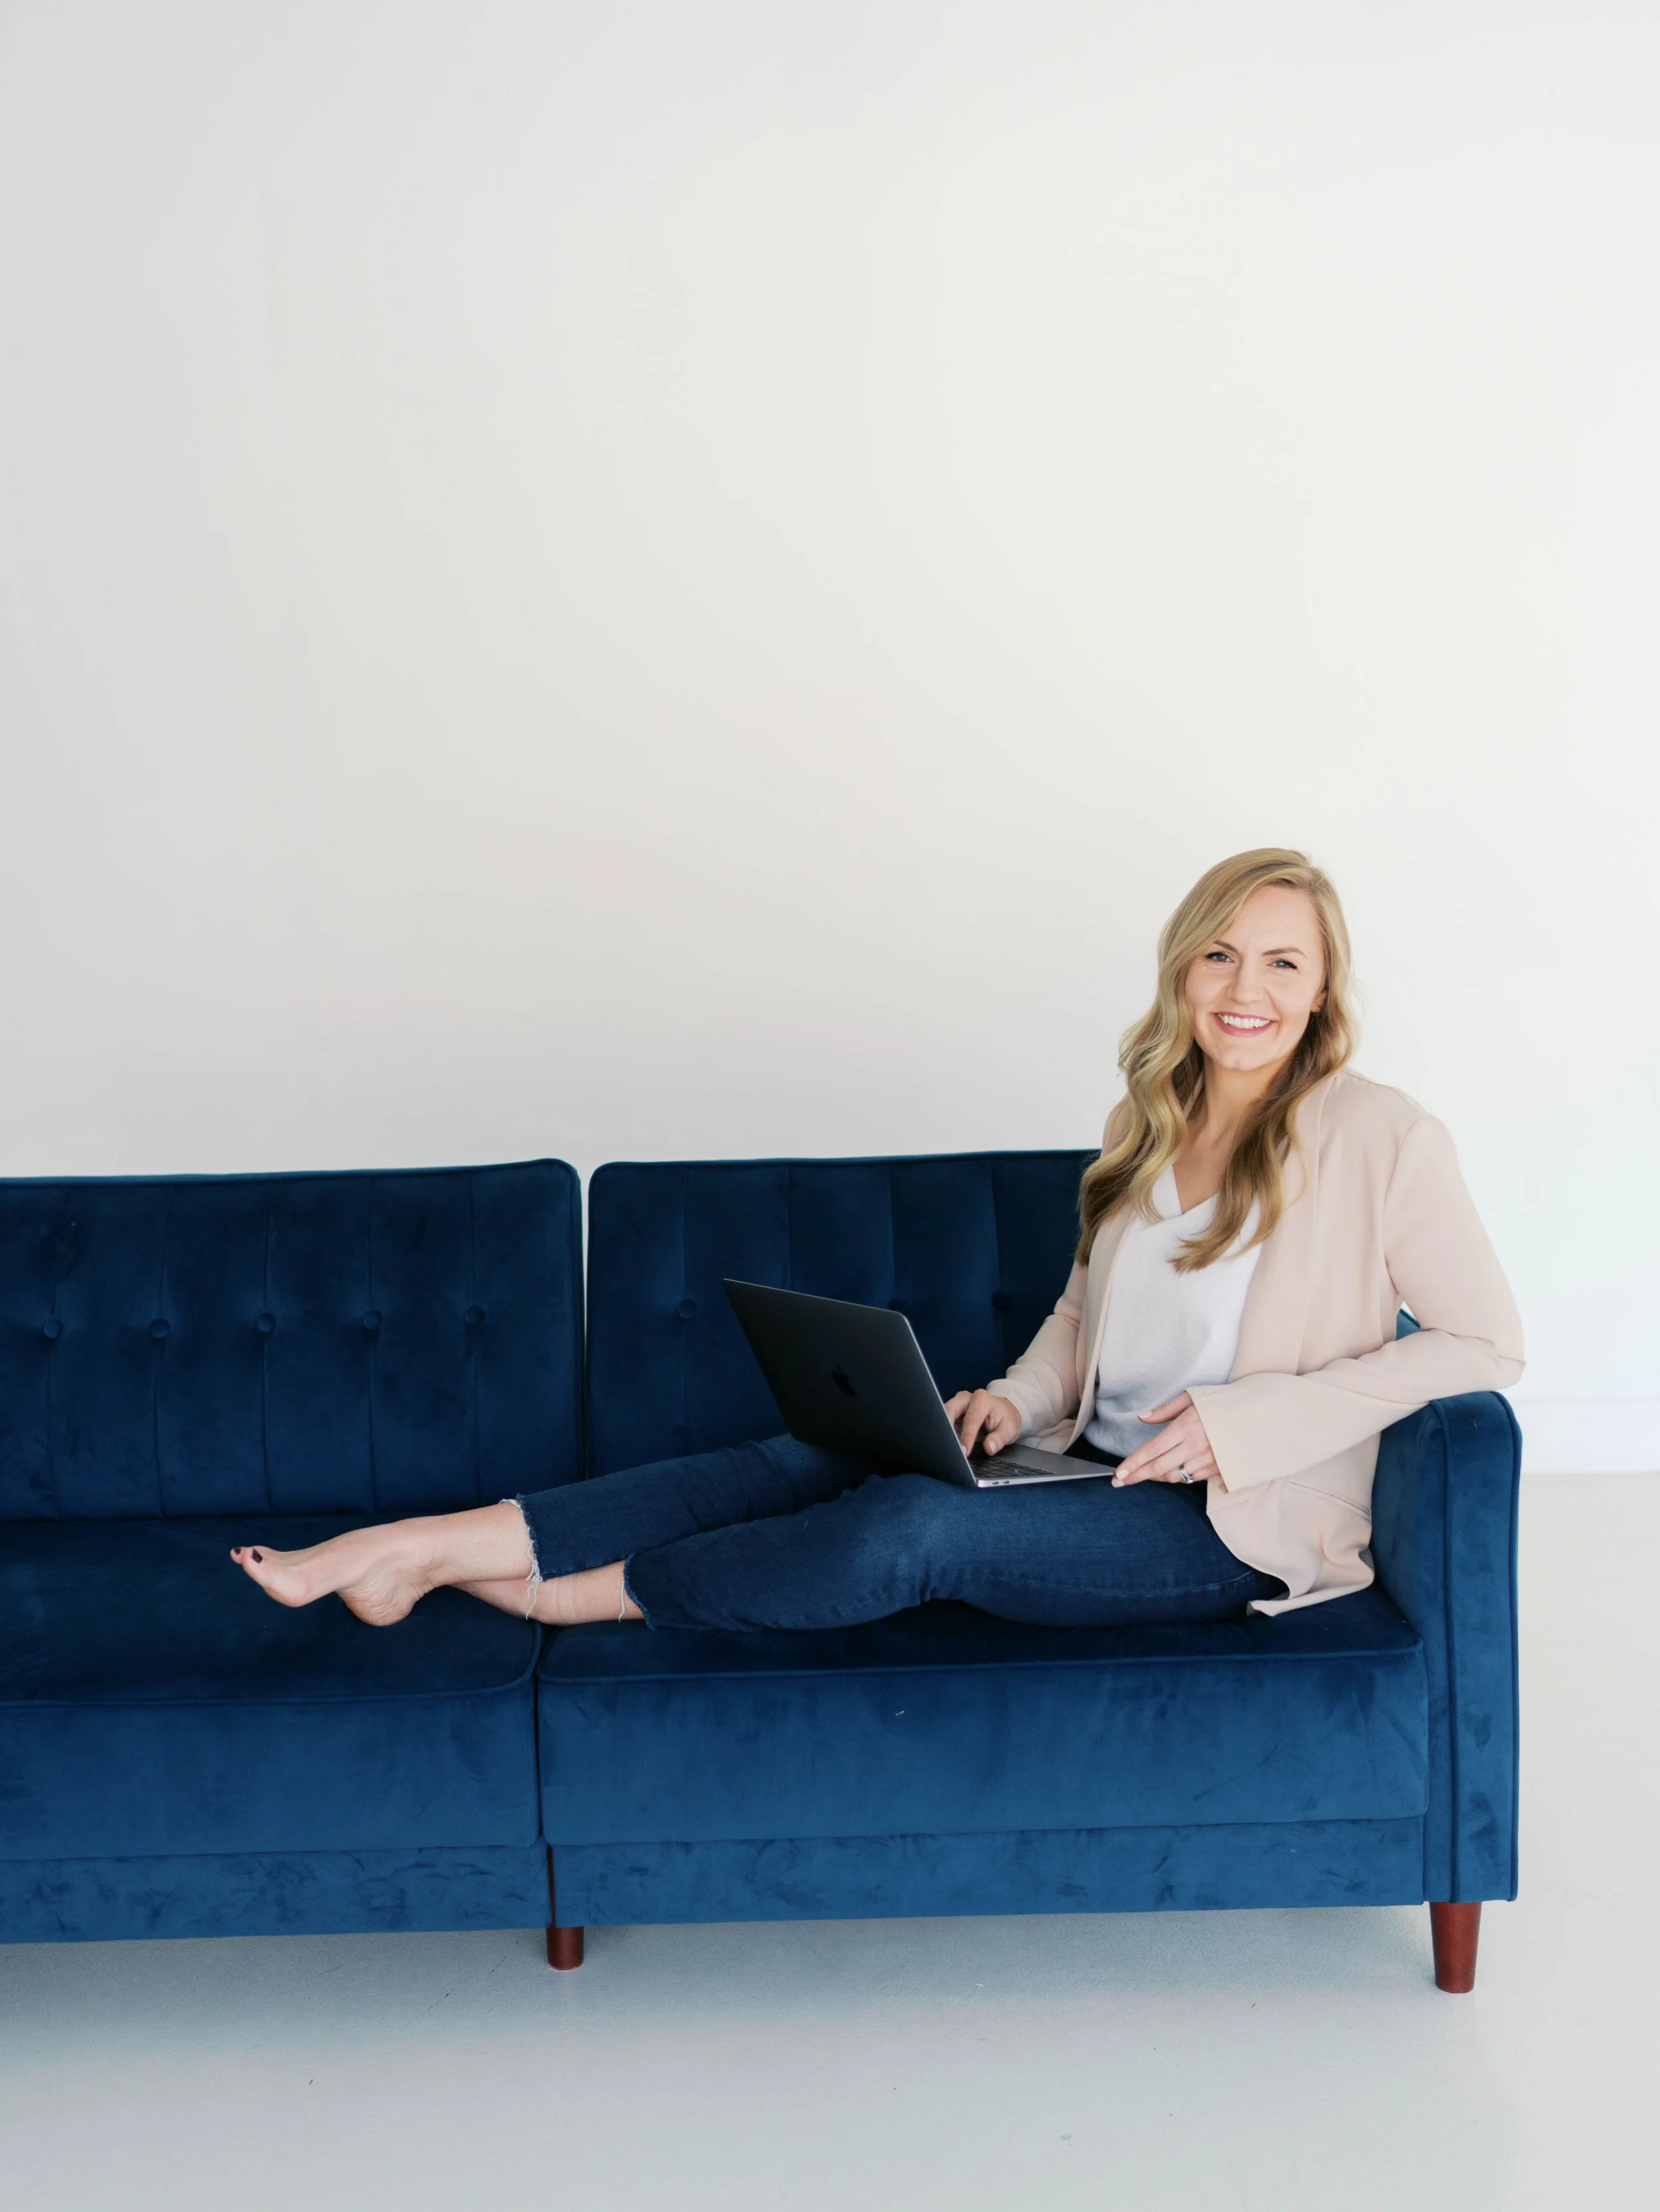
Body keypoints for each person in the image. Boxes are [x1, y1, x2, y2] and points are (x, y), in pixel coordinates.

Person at [231, 847, 1523, 1634]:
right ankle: (423, 1547)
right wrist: (1012, 1406)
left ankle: (558, 1595)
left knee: (908, 1531)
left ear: (1321, 989)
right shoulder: (1146, 1124)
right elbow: (1080, 1327)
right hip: (1080, 1468)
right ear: (1181, 975)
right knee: (810, 1450)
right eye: (1222, 959)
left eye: (1283, 966)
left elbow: (1485, 1343)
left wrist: (1245, 1424)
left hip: (1218, 1527)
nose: (1248, 993)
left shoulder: (1378, 1137)